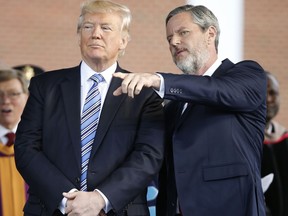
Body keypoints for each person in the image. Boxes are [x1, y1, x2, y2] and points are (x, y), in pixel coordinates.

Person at [113, 4, 267, 216]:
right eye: (169, 39)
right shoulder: (173, 105)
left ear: (210, 33)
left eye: (183, 33)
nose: (174, 42)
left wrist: (158, 80)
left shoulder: (246, 75)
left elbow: (217, 91)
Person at [14, 0, 165, 216]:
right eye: (88, 27)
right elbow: (26, 147)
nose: (96, 34)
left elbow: (148, 156)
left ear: (123, 40)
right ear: (79, 36)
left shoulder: (144, 93)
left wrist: (100, 199)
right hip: (53, 209)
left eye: (106, 28)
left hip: (118, 210)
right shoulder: (44, 86)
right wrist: (68, 200)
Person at [0, 69, 29, 216]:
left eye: (13, 94)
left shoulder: (45, 144)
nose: (5, 100)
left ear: (27, 97)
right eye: (0, 95)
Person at [261, 71, 288, 216]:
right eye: (265, 93)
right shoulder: (240, 141)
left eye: (274, 93)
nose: (270, 99)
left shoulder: (285, 137)